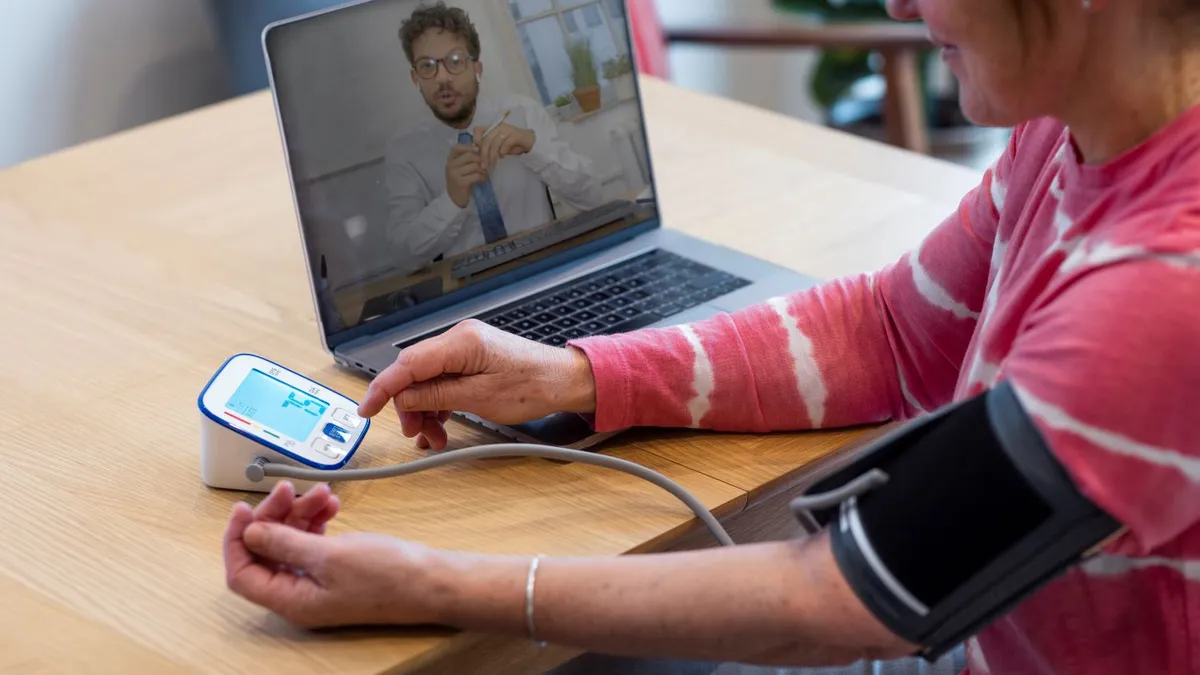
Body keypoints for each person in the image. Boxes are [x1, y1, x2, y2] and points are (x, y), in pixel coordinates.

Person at [223, 0, 1200, 673]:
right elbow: (896, 333)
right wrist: (573, 374)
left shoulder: (1162, 293)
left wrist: (431, 582)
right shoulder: (1068, 130)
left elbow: (851, 599)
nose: (899, 5)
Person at [383, 1, 606, 270]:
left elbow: (592, 196)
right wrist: (451, 200)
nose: (442, 78)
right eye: (427, 66)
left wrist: (533, 147)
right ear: (415, 78)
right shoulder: (404, 152)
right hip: (465, 295)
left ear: (477, 69)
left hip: (544, 268)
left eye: (455, 61)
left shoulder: (523, 113)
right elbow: (403, 256)